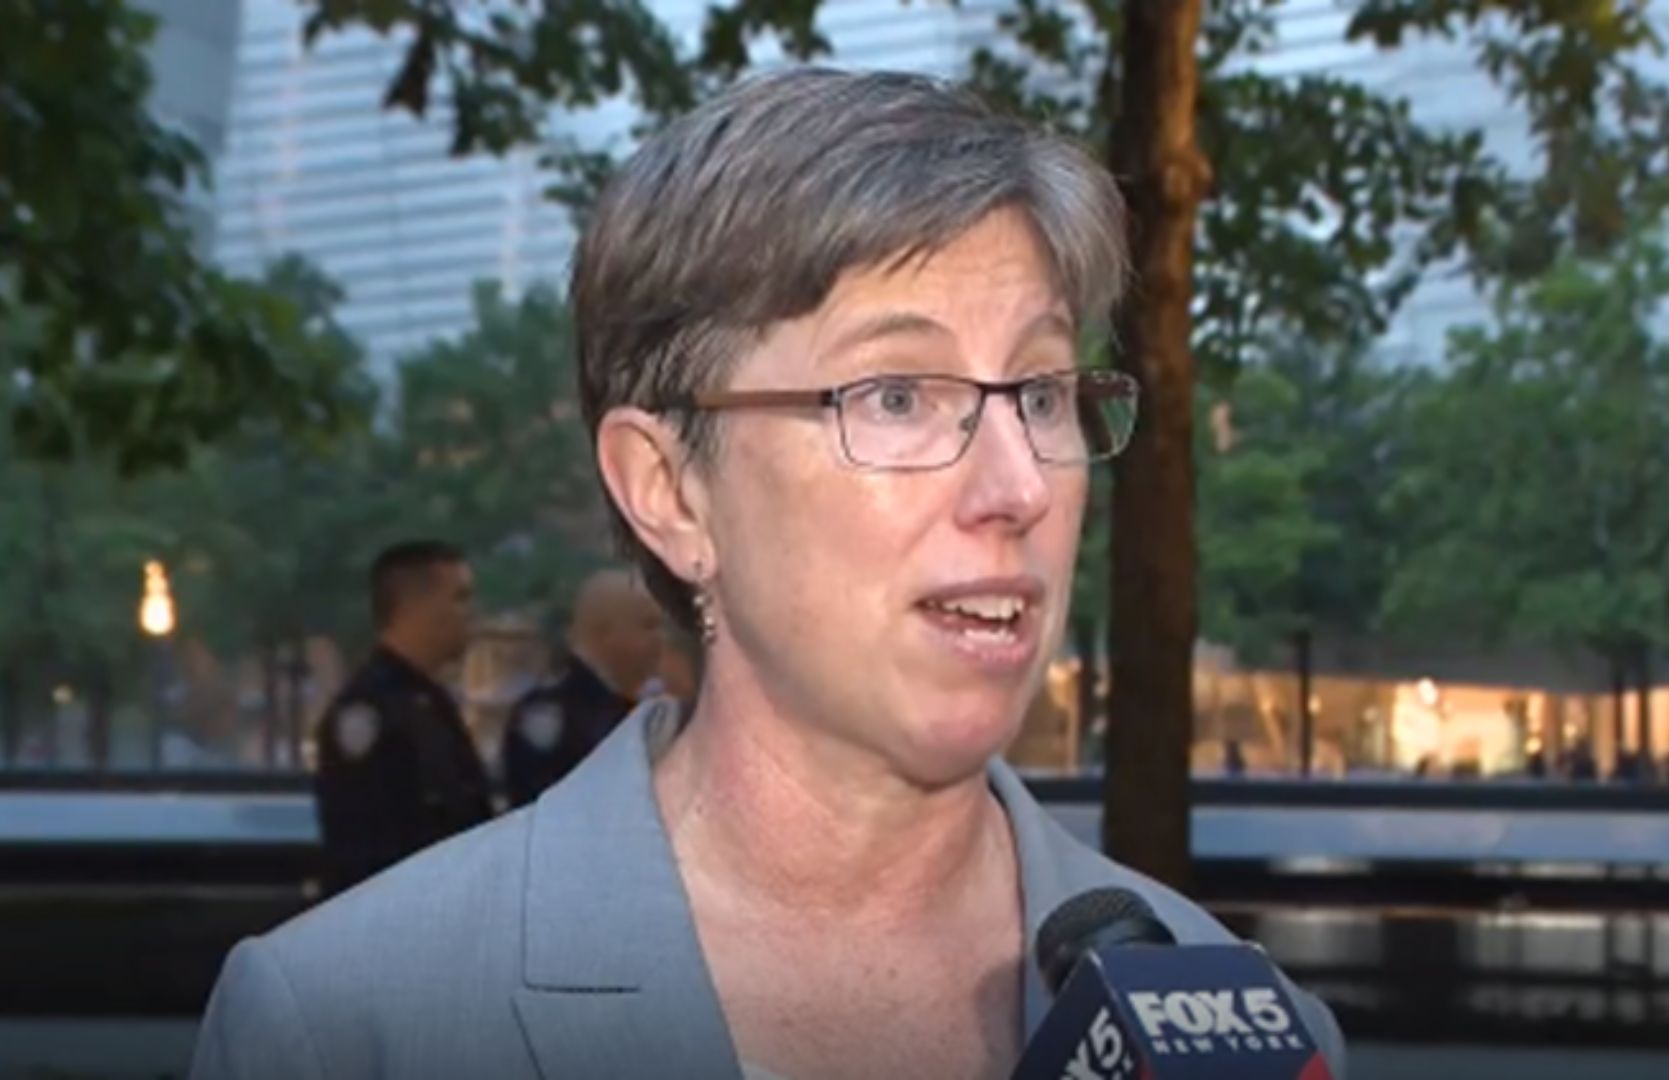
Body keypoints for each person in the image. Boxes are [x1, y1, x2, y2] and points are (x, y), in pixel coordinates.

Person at [191, 69, 1347, 1079]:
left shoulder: (1247, 1023)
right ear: (670, 490)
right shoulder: (349, 1028)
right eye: (896, 396)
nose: (1021, 486)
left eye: (1041, 394)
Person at [311, 540, 491, 895]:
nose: (472, 613)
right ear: (418, 607)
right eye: (460, 597)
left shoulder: (430, 703)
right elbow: (369, 849)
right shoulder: (371, 713)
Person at [500, 569, 674, 807]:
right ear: (603, 632)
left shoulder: (641, 708)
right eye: (648, 626)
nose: (660, 639)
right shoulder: (556, 716)